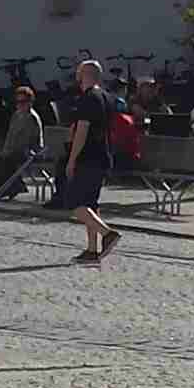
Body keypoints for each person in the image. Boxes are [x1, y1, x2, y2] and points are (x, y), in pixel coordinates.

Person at [58, 57, 123, 265]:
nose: (76, 77)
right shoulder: (107, 97)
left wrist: (72, 159)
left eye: (78, 73)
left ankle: (107, 234)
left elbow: (82, 131)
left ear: (83, 75)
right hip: (103, 155)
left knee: (74, 203)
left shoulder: (88, 98)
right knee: (90, 205)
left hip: (87, 157)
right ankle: (92, 250)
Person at [0, 83, 52, 205]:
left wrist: (8, 151)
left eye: (23, 102)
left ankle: (8, 187)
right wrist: (5, 149)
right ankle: (1, 187)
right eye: (18, 102)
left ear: (30, 102)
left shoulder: (31, 118)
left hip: (29, 152)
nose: (19, 105)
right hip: (15, 150)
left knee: (3, 160)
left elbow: (26, 141)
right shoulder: (16, 115)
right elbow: (10, 135)